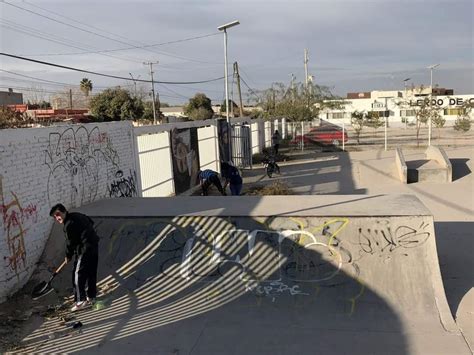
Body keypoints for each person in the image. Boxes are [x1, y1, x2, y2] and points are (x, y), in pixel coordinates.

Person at [50, 203, 99, 312]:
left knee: (77, 274)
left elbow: (70, 243)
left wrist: (68, 255)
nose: (57, 218)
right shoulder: (77, 215)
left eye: (58, 214)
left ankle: (81, 301)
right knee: (91, 272)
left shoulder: (68, 224)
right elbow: (90, 221)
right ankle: (91, 296)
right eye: (54, 216)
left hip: (84, 249)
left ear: (64, 211)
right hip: (94, 245)